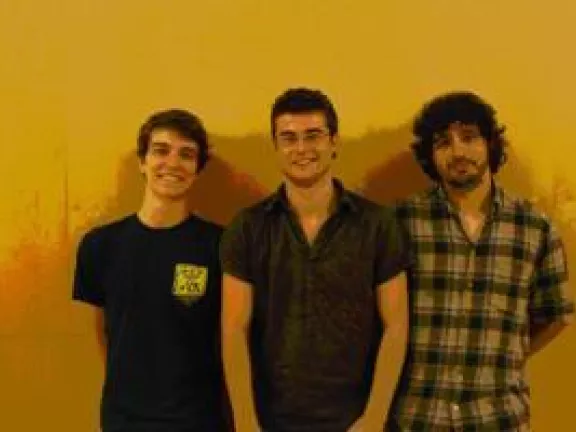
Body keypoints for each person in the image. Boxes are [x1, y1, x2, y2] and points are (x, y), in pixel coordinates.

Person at [220, 87, 409, 432]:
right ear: (276, 147)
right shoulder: (247, 228)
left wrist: (374, 417)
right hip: (270, 421)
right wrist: (245, 421)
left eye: (313, 136)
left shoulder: (378, 224)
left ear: (334, 142)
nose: (301, 148)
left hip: (356, 420)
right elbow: (234, 330)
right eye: (288, 138)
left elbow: (396, 325)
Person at [391, 91, 575, 431]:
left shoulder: (535, 228)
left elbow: (556, 315)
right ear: (430, 155)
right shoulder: (401, 223)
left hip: (497, 418)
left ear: (490, 143)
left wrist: (506, 355)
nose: (458, 151)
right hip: (418, 418)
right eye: (443, 142)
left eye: (469, 137)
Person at [73, 109, 227, 431]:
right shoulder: (100, 245)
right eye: (161, 151)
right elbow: (100, 334)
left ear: (198, 169)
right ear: (142, 162)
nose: (173, 163)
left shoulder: (222, 246)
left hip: (201, 421)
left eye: (186, 155)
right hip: (124, 420)